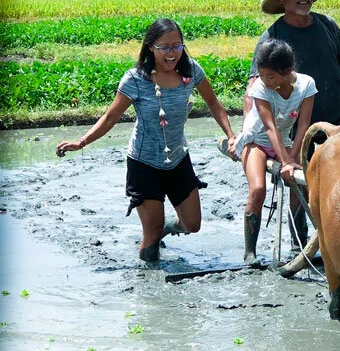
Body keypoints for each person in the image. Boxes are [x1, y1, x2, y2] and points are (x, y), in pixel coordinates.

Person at [56, 18, 236, 263]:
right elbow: (110, 117)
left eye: (177, 46)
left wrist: (231, 135)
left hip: (178, 158)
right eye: (164, 47)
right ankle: (149, 283)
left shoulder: (191, 71)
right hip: (144, 163)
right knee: (150, 233)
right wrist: (82, 141)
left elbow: (214, 104)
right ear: (151, 47)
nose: (171, 53)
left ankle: (165, 229)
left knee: (192, 224)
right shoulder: (135, 79)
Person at [242, 0, 340, 256]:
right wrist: (247, 131)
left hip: (335, 118)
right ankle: (300, 245)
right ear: (282, 0)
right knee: (299, 187)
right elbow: (256, 87)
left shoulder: (327, 25)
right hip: (295, 127)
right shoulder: (273, 36)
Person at [230, 39, 316, 267]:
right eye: (262, 75)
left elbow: (304, 124)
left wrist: (291, 159)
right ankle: (250, 253)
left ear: (287, 72)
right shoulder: (260, 87)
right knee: (258, 189)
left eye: (271, 77)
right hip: (256, 141)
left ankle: (299, 245)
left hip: (285, 140)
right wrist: (286, 160)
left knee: (300, 186)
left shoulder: (306, 85)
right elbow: (268, 128)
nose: (265, 81)